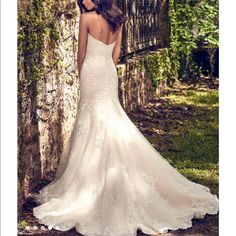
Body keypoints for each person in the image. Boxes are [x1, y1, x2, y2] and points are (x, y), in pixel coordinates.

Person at [33, 0, 219, 235]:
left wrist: (85, 77)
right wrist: (105, 70)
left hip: (91, 72)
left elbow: (80, 55)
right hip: (108, 73)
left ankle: (93, 180)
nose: (83, 1)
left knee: (95, 120)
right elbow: (117, 53)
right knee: (108, 117)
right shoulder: (117, 19)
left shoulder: (86, 19)